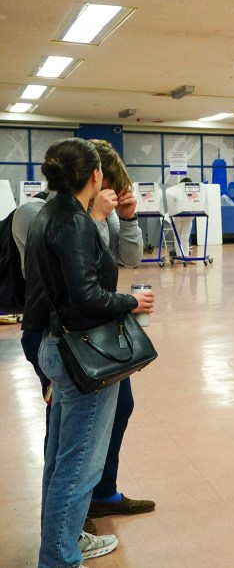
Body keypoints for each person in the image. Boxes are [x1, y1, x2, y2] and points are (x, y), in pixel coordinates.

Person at [24, 138, 155, 568]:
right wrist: (130, 304)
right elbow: (86, 297)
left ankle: (61, 546)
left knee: (62, 460)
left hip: (56, 344)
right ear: (95, 176)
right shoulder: (77, 222)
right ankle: (60, 558)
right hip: (80, 352)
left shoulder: (49, 213)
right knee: (78, 468)